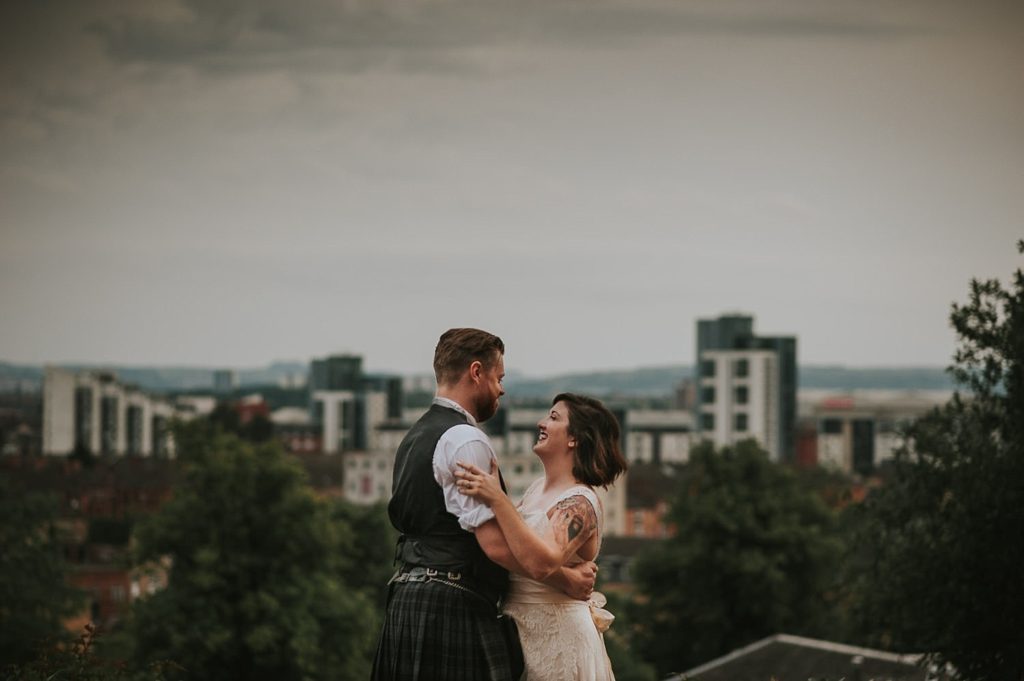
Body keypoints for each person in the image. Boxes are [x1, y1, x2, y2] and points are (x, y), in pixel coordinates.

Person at [371, 329, 598, 681]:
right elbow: (494, 546)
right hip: (451, 600)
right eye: (499, 377)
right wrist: (566, 579)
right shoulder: (466, 440)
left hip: (409, 594)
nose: (502, 389)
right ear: (477, 372)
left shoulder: (415, 436)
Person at [455, 392, 628, 681]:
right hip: (521, 633)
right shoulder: (536, 489)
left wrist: (498, 500)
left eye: (553, 417)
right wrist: (567, 578)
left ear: (574, 438)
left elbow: (542, 561)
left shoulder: (581, 502)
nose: (541, 422)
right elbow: (508, 548)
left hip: (561, 639)